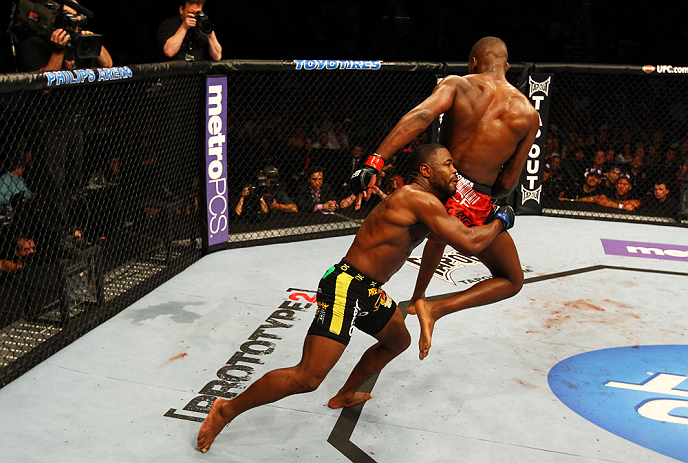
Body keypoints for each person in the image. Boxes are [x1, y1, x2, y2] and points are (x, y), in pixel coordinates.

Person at [197, 143, 516, 453]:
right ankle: (226, 410)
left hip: (369, 290)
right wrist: (502, 219)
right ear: (425, 170)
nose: (455, 171)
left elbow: (440, 243)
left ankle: (346, 393)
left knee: (397, 341)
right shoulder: (418, 199)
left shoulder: (428, 203)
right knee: (308, 377)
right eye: (447, 164)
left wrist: (420, 296)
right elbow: (471, 243)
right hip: (345, 287)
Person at [349, 36, 539, 360]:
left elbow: (421, 116)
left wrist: (375, 160)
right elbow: (508, 181)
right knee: (511, 278)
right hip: (475, 195)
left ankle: (417, 296)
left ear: (473, 62)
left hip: (435, 185)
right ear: (506, 66)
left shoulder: (458, 84)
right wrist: (481, 199)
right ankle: (435, 307)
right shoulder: (528, 114)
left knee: (435, 232)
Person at [18, 3, 112, 72]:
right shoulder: (34, 44)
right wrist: (59, 50)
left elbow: (107, 66)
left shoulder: (78, 43)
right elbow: (46, 86)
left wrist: (93, 42)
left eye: (75, 22)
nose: (72, 27)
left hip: (78, 96)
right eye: (68, 21)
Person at [157, 0, 222, 62]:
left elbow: (217, 57)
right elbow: (169, 52)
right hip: (175, 71)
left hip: (198, 71)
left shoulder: (202, 25)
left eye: (197, 13)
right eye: (191, 13)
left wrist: (210, 35)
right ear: (181, 10)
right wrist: (184, 27)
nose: (194, 16)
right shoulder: (169, 25)